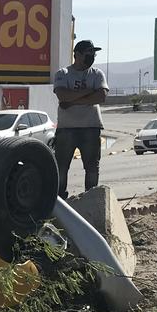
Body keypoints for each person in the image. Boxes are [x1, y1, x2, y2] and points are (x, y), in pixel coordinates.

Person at [53, 39, 108, 197]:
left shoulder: (97, 74)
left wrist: (71, 101)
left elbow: (101, 97)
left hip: (91, 127)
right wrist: (89, 92)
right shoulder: (63, 74)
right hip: (66, 128)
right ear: (76, 54)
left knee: (92, 167)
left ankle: (89, 198)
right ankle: (60, 201)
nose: (91, 56)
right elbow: (62, 95)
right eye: (88, 53)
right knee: (61, 167)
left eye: (93, 53)